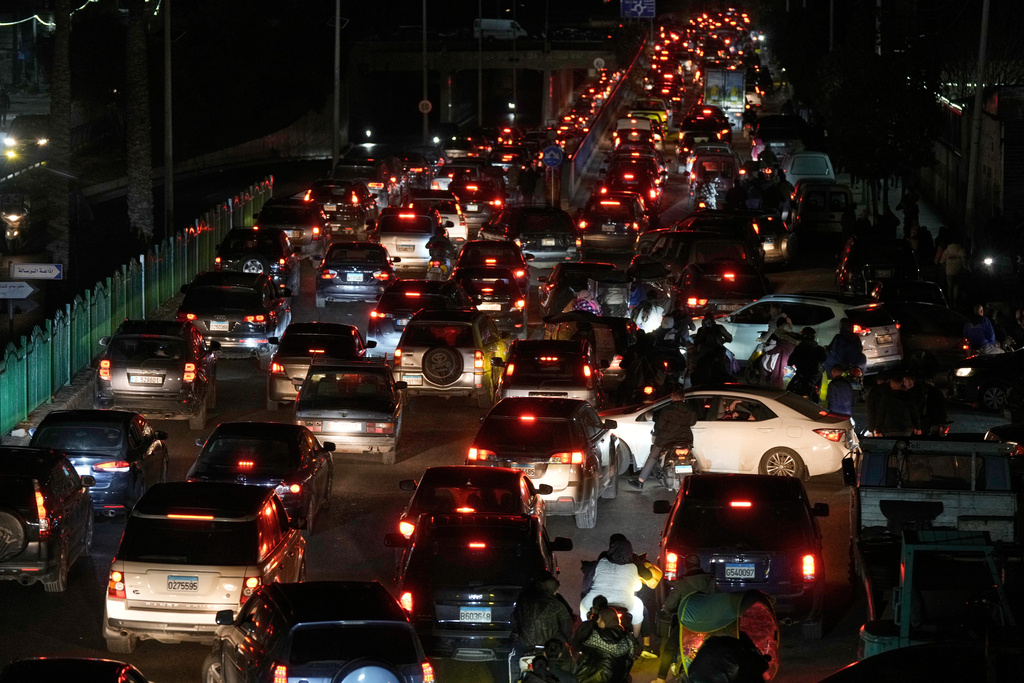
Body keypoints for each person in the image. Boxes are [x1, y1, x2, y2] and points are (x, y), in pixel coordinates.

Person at [653, 553, 716, 683]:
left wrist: (666, 609)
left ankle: (661, 678)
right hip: (707, 622)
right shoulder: (710, 580)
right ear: (698, 565)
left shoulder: (682, 583)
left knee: (669, 648)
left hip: (686, 623)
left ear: (686, 566)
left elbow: (670, 604)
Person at [579, 535, 648, 636]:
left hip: (595, 601)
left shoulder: (601, 563)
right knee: (638, 605)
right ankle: (635, 636)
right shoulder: (632, 567)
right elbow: (638, 587)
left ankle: (586, 633)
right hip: (624, 605)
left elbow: (589, 581)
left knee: (583, 606)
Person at [630, 395, 696, 490]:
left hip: (666, 439)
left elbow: (659, 425)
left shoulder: (668, 409)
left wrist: (656, 434)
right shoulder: (690, 409)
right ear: (683, 398)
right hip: (685, 438)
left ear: (674, 397)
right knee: (690, 456)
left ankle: (640, 481)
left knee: (653, 457)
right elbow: (693, 422)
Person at [510, 571, 574, 658]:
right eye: (555, 589)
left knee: (514, 657)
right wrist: (565, 640)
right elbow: (566, 625)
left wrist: (516, 637)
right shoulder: (557, 603)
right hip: (551, 645)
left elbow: (514, 619)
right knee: (567, 658)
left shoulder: (524, 601)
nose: (557, 591)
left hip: (526, 643)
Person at [573, 607, 638, 683]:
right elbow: (630, 657)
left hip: (598, 677)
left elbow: (580, 647)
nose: (598, 621)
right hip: (619, 677)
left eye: (600, 618)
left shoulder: (596, 636)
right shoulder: (627, 637)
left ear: (606, 620)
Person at [866, 372, 922, 437]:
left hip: (889, 428)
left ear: (891, 382)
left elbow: (881, 413)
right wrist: (917, 427)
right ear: (902, 382)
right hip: (905, 427)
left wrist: (878, 429)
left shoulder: (886, 397)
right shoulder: (908, 396)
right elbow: (914, 412)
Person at [786, 327, 826, 402]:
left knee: (788, 392)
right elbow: (823, 359)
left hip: (801, 375)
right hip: (814, 376)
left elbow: (790, 362)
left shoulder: (799, 348)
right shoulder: (819, 349)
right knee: (817, 390)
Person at [937, 232, 966, 307]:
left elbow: (941, 261)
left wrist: (945, 268)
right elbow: (964, 263)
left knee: (950, 287)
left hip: (949, 272)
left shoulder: (947, 250)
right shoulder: (961, 250)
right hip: (958, 272)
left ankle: (950, 302)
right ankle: (955, 302)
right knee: (956, 287)